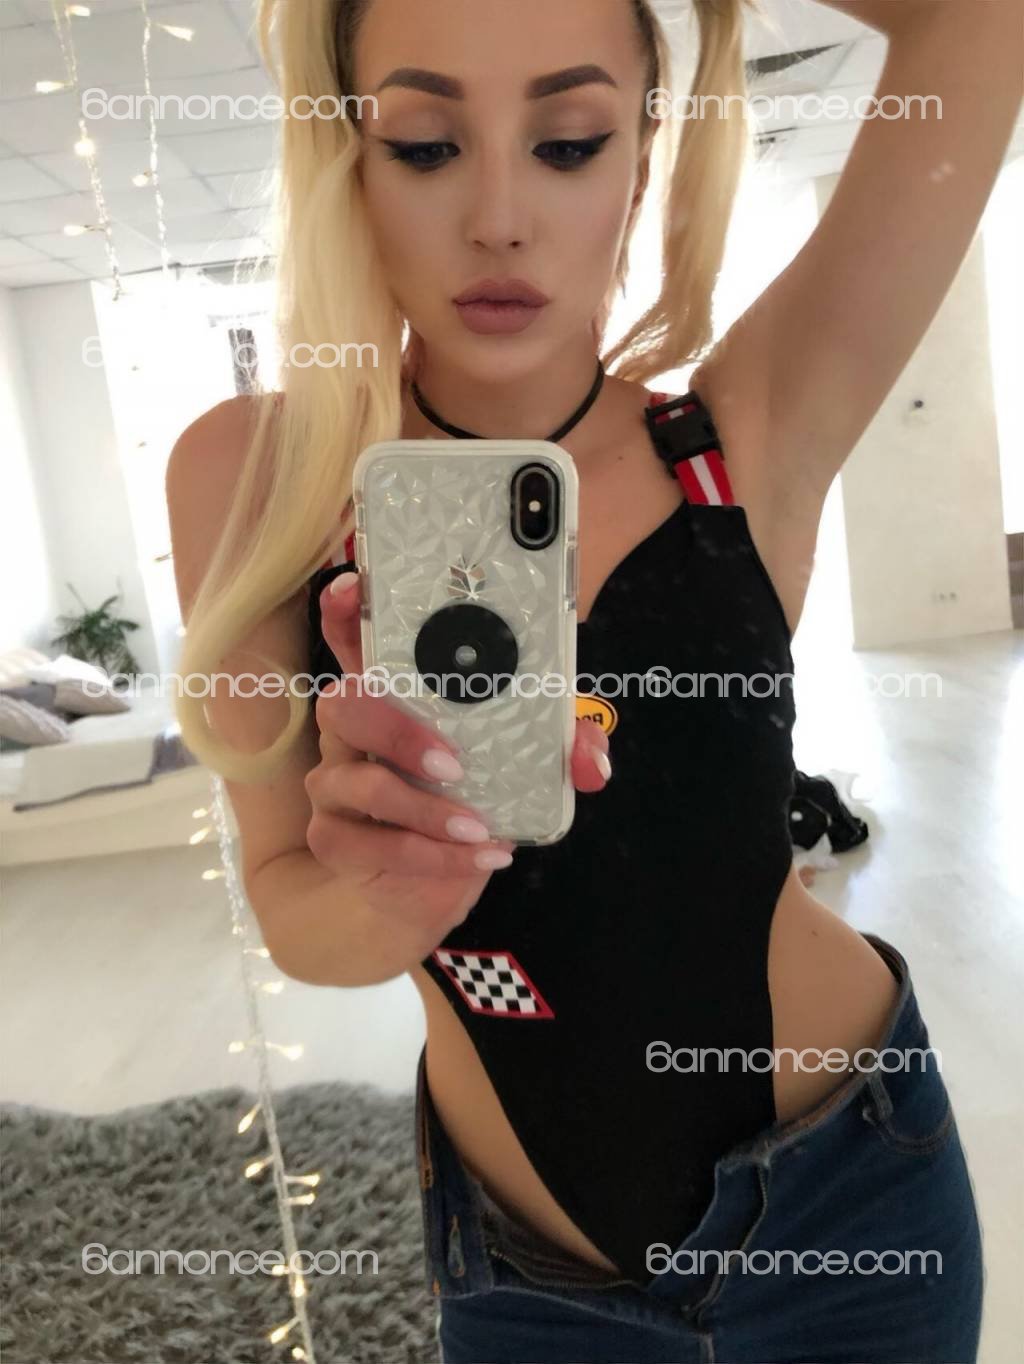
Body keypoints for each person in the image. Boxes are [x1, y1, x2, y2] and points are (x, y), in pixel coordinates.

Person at [167, 1, 1021, 1358]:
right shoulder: (255, 477)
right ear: (347, 161)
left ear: (642, 156)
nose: (500, 219)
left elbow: (977, 25)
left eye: (568, 141)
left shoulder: (744, 435)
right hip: (528, 1282)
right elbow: (296, 915)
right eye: (426, 145)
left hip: (849, 1213)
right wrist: (394, 890)